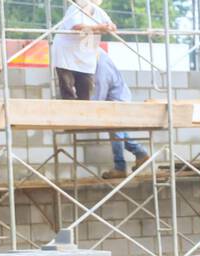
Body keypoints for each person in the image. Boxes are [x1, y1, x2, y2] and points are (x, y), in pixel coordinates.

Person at [94, 49, 150, 179]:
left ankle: (120, 167)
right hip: (118, 98)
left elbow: (101, 90)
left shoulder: (101, 66)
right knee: (118, 132)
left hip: (117, 100)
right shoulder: (100, 54)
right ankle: (140, 153)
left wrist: (92, 108)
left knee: (116, 132)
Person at [51, 0, 113, 101]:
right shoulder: (74, 9)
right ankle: (69, 113)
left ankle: (83, 114)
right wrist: (99, 27)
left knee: (85, 92)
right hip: (67, 55)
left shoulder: (99, 12)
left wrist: (108, 27)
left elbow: (112, 26)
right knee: (68, 91)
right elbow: (77, 27)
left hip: (86, 57)